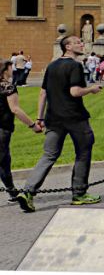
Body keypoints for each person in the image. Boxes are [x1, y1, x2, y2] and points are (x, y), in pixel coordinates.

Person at [16, 34, 104, 212]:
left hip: (53, 118)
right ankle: (79, 194)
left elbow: (43, 93)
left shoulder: (52, 65)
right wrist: (91, 89)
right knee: (83, 152)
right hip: (75, 118)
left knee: (49, 155)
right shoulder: (75, 65)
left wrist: (39, 118)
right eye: (77, 42)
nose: (81, 44)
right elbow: (75, 91)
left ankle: (27, 191)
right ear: (68, 47)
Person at [2, 59, 44, 201]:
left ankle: (12, 192)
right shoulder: (8, 87)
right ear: (4, 70)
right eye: (10, 67)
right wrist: (33, 125)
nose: (13, 70)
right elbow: (15, 109)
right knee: (3, 160)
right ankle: (12, 191)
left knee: (4, 161)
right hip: (2, 129)